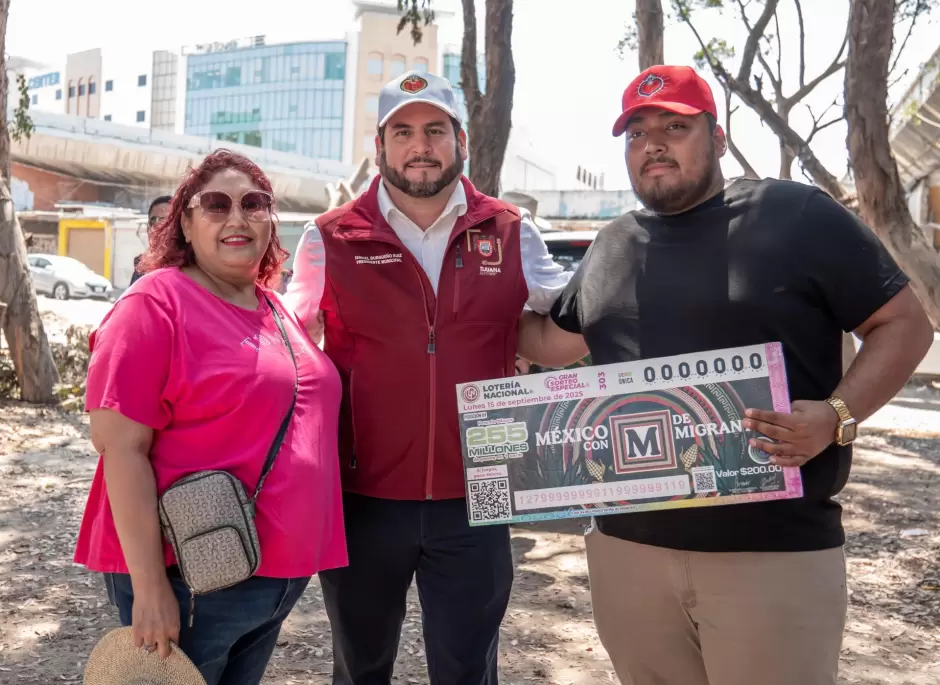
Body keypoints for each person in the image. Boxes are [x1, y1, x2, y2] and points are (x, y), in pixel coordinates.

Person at [517, 65, 934, 685]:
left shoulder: (795, 215)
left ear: (717, 137)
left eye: (674, 126)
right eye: (636, 133)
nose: (653, 143)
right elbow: (552, 343)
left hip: (771, 553)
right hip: (626, 553)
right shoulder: (612, 243)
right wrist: (464, 300)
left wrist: (836, 417)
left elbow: (904, 324)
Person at [284, 70, 571, 685]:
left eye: (435, 130)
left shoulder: (512, 231)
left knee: (468, 670)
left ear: (460, 141)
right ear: (381, 146)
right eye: (404, 131)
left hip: (483, 488)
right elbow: (286, 346)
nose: (421, 145)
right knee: (360, 668)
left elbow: (565, 320)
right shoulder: (329, 237)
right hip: (363, 495)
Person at [75, 149, 347, 685]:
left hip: (270, 575)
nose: (237, 217)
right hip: (195, 575)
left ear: (272, 219)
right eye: (216, 205)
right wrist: (150, 587)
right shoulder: (154, 304)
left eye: (254, 204)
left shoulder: (275, 307)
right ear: (185, 221)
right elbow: (119, 449)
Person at [129, 195, 173, 286]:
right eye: (154, 221)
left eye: (166, 221)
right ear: (148, 229)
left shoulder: (191, 269)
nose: (159, 227)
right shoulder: (141, 268)